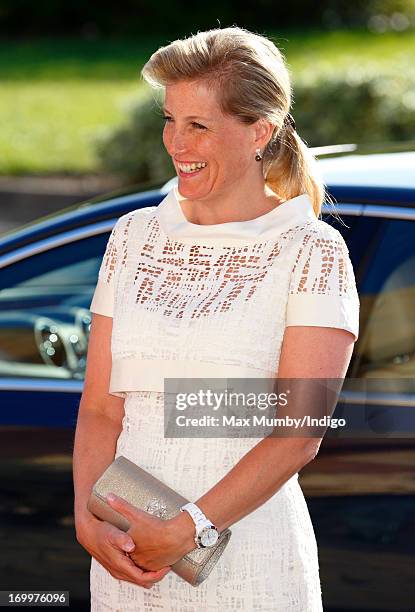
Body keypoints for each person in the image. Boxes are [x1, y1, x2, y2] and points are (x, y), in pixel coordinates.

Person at [73, 26, 360, 611]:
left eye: (198, 125)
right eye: (170, 120)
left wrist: (189, 528)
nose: (176, 142)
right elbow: (101, 408)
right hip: (125, 557)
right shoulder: (132, 237)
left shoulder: (310, 250)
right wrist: (85, 518)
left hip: (246, 558)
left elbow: (298, 433)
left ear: (260, 131)